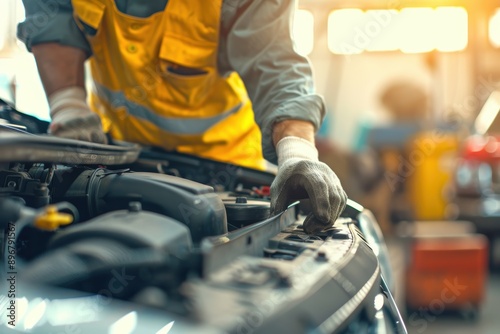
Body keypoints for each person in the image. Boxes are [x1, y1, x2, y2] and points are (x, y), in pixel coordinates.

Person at [17, 0, 347, 233]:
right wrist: (68, 102)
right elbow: (52, 18)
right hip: (117, 156)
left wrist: (297, 151)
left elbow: (273, 61)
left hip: (224, 167)